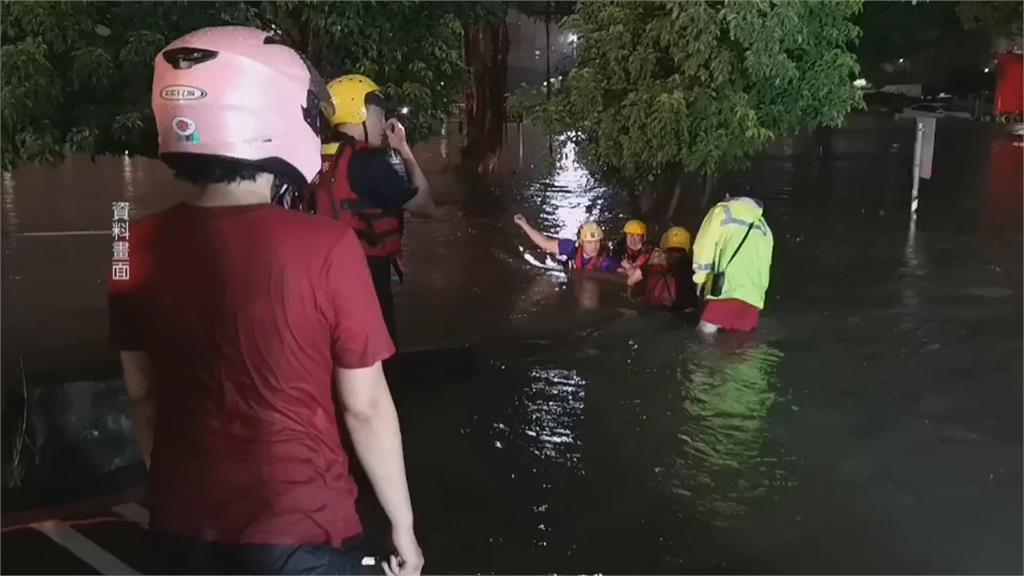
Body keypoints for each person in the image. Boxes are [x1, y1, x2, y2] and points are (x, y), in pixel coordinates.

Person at [108, 27, 422, 575]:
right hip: (304, 532)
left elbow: (142, 395)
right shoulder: (327, 246)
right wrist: (404, 532)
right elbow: (365, 407)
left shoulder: (129, 244)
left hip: (182, 530)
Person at [312, 74, 442, 344]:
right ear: (358, 112)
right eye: (378, 115)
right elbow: (426, 205)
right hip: (365, 276)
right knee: (378, 352)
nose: (383, 124)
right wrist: (403, 148)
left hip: (324, 276)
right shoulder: (368, 163)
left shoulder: (319, 155)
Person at [691, 191, 774, 333]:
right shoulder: (765, 228)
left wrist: (700, 281)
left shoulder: (722, 211)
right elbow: (765, 268)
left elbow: (703, 246)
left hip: (724, 293)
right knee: (740, 348)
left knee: (702, 339)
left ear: (728, 195)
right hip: (752, 303)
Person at [513, 214, 621, 273]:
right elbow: (544, 243)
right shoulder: (571, 247)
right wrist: (524, 224)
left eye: (596, 241)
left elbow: (626, 275)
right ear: (581, 242)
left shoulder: (607, 262)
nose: (594, 246)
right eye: (589, 242)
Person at [626, 226, 698, 310]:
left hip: (661, 310)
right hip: (686, 311)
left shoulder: (657, 262)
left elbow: (631, 281)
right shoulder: (692, 264)